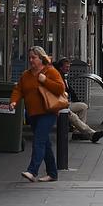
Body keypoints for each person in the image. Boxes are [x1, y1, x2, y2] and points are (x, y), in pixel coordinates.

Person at [13, 46, 66, 182]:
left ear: (41, 58)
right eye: (29, 57)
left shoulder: (50, 72)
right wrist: (13, 101)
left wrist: (44, 81)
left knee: (38, 140)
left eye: (34, 58)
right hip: (33, 113)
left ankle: (32, 171)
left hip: (48, 112)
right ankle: (52, 173)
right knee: (45, 143)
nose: (31, 60)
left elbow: (61, 88)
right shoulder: (26, 75)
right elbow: (19, 89)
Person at [53, 58, 103, 143]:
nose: (68, 69)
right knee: (73, 116)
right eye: (66, 67)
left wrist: (76, 101)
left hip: (65, 103)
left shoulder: (64, 77)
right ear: (60, 68)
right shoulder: (57, 78)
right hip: (58, 105)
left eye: (69, 67)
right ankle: (91, 133)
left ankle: (78, 132)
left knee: (83, 106)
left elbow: (71, 91)